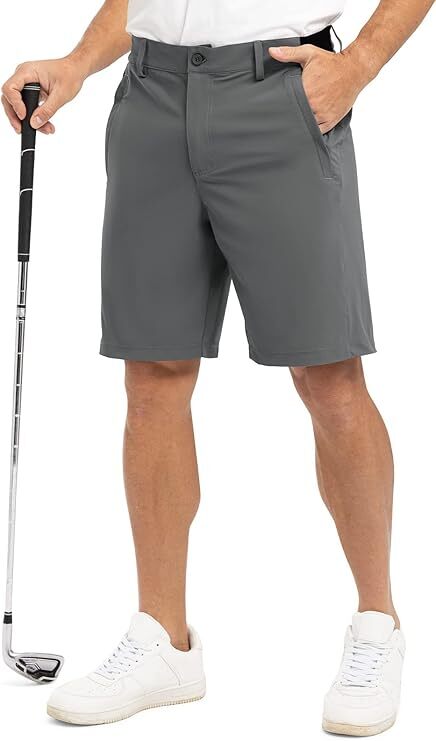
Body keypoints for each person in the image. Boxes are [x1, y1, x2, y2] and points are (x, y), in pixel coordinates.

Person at [2, 0, 433, 733]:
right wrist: (76, 64)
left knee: (328, 375)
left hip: (283, 96)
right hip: (152, 99)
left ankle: (377, 624)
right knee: (152, 375)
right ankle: (163, 641)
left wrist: (358, 65)